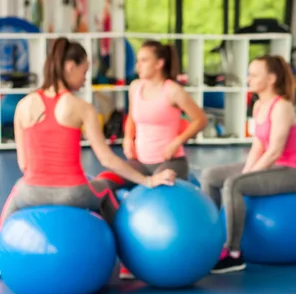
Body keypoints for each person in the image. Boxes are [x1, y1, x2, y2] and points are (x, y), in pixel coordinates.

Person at [0, 37, 175, 234]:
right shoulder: (82, 107)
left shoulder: (23, 105)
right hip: (73, 193)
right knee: (105, 190)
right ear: (69, 67)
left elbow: (24, 165)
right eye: (84, 71)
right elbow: (106, 159)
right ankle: (124, 252)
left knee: (15, 192)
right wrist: (148, 181)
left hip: (31, 192)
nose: (85, 78)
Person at [200, 55, 296, 274]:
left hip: (292, 171)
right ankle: (209, 240)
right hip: (272, 165)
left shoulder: (282, 106)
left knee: (234, 185)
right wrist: (247, 170)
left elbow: (275, 151)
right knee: (210, 175)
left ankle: (233, 253)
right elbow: (258, 146)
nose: (248, 78)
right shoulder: (259, 105)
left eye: (254, 74)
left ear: (271, 78)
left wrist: (246, 176)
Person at [100, 39, 207, 190]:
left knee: (157, 189)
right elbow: (131, 118)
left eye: (144, 60)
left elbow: (201, 120)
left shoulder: (172, 91)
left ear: (159, 63)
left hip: (170, 161)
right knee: (105, 184)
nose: (138, 65)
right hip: (140, 162)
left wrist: (176, 142)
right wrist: (128, 139)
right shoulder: (135, 87)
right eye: (138, 61)